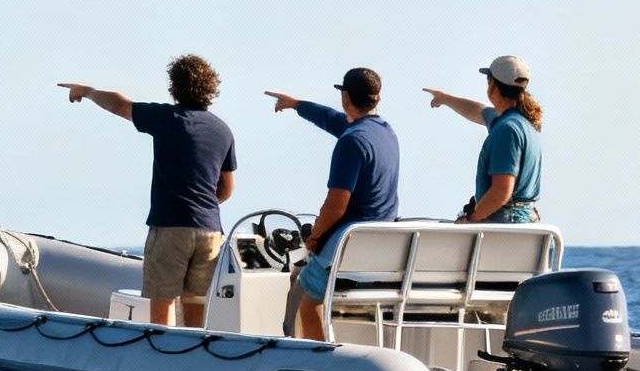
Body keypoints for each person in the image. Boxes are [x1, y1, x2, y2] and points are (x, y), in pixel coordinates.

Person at [57, 55, 237, 328]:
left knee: (160, 310)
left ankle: (161, 361)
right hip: (211, 231)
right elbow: (226, 189)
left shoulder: (166, 118)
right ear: (210, 89)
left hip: (171, 226)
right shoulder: (223, 130)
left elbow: (119, 104)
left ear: (174, 87)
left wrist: (87, 91)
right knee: (196, 311)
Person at [263, 68, 400, 341]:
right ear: (377, 98)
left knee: (306, 298)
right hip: (382, 243)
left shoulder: (351, 141)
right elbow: (333, 120)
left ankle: (319, 359)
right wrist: (297, 105)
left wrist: (314, 238)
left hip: (351, 242)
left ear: (345, 96)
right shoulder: (384, 132)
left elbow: (336, 205)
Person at [422, 54, 545, 224]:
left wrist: (471, 218)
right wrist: (444, 99)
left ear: (492, 86)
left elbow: (502, 191)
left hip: (503, 226)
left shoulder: (506, 130)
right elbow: (478, 110)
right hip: (525, 220)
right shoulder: (522, 124)